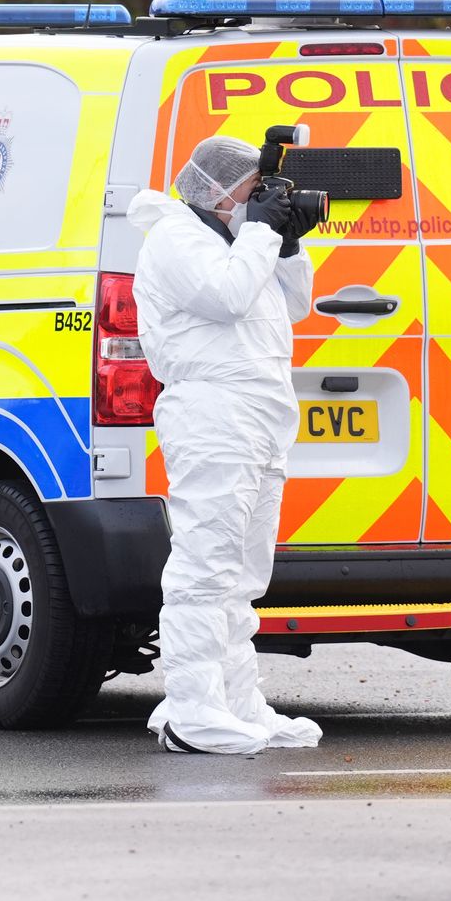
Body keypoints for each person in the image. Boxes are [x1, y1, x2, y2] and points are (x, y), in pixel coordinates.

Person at [125, 135, 324, 754]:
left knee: (243, 574)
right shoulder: (175, 239)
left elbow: (294, 307)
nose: (255, 204)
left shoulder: (235, 241)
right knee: (205, 566)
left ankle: (239, 703)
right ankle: (190, 709)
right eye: (249, 194)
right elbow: (228, 297)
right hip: (211, 412)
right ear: (216, 193)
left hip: (259, 416)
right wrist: (262, 234)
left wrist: (285, 242)